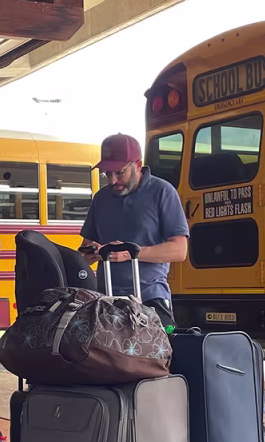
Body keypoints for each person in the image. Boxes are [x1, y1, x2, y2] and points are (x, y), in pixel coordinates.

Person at [79, 133, 189, 328]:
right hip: (106, 299)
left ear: (137, 165)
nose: (112, 180)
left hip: (150, 298)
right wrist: (92, 252)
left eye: (119, 173)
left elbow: (179, 250)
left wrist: (130, 253)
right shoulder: (101, 198)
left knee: (157, 357)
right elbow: (85, 249)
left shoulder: (162, 192)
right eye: (107, 173)